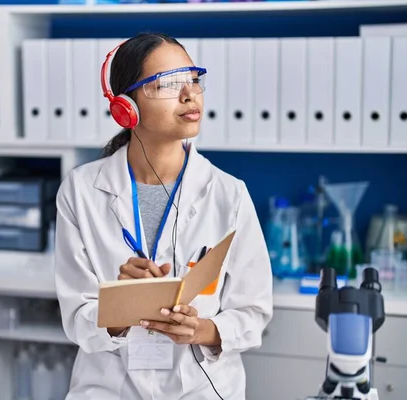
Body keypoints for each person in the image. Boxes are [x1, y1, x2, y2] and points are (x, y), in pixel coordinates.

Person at [54, 32, 273, 400]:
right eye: (168, 85)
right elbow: (76, 317)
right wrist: (120, 308)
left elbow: (253, 311)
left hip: (202, 389)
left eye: (193, 80)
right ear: (127, 108)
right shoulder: (80, 191)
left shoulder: (228, 194)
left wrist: (202, 329)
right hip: (110, 389)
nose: (190, 95)